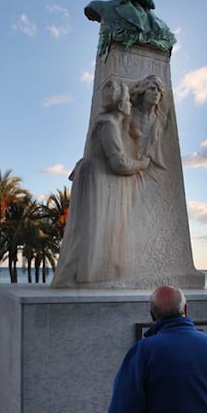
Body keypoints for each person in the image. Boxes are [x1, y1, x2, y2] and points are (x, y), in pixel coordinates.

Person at [51, 79, 150, 287]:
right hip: (96, 179)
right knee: (91, 228)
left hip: (95, 177)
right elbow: (119, 163)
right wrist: (141, 164)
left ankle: (88, 274)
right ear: (122, 104)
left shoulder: (108, 123)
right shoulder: (108, 124)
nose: (131, 106)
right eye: (129, 102)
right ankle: (80, 276)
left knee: (91, 228)